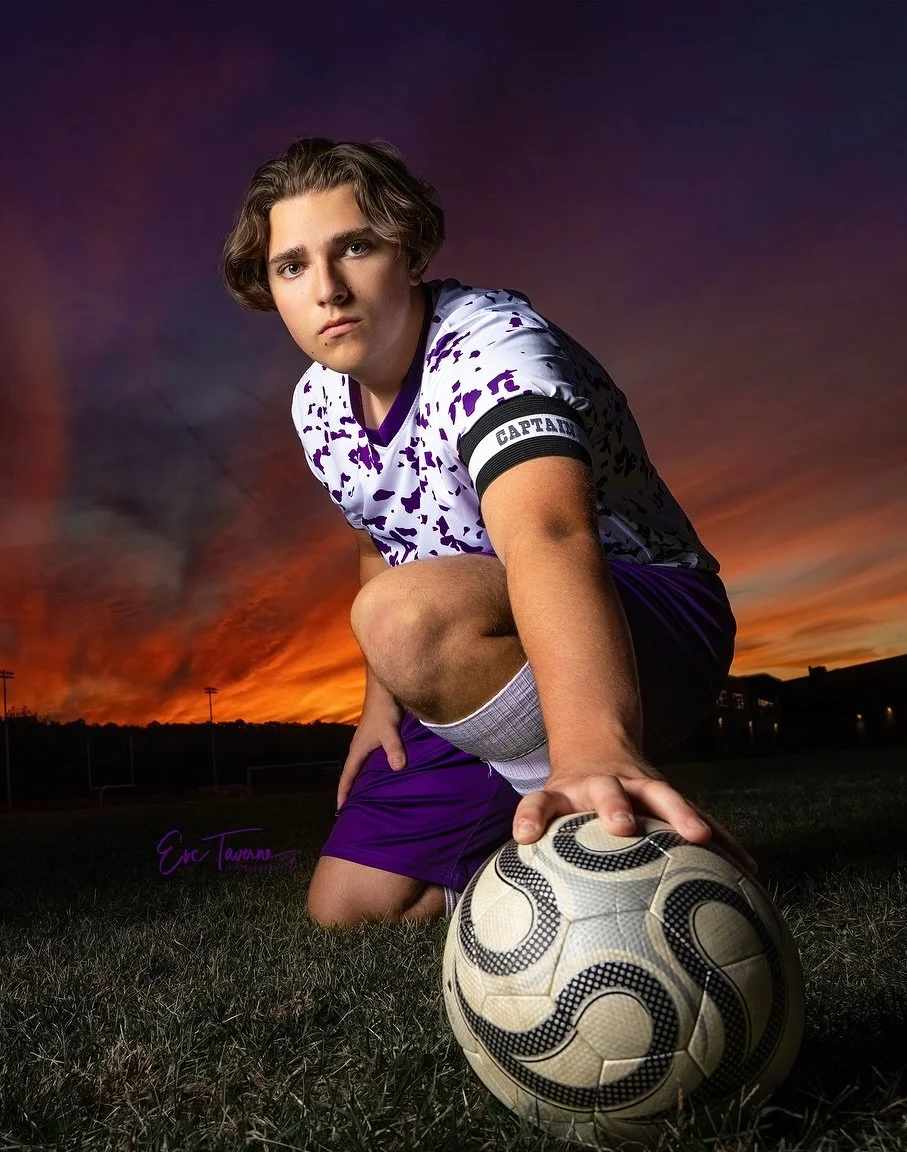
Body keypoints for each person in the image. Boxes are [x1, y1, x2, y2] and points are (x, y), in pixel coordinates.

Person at [221, 138, 748, 928]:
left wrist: (591, 747)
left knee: (402, 618)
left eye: (355, 247)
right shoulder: (317, 403)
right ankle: (529, 859)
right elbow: (378, 538)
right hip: (477, 643)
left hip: (641, 613)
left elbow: (550, 534)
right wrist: (380, 705)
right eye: (292, 266)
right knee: (353, 907)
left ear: (410, 251)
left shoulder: (494, 345)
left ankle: (620, 835)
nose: (327, 289)